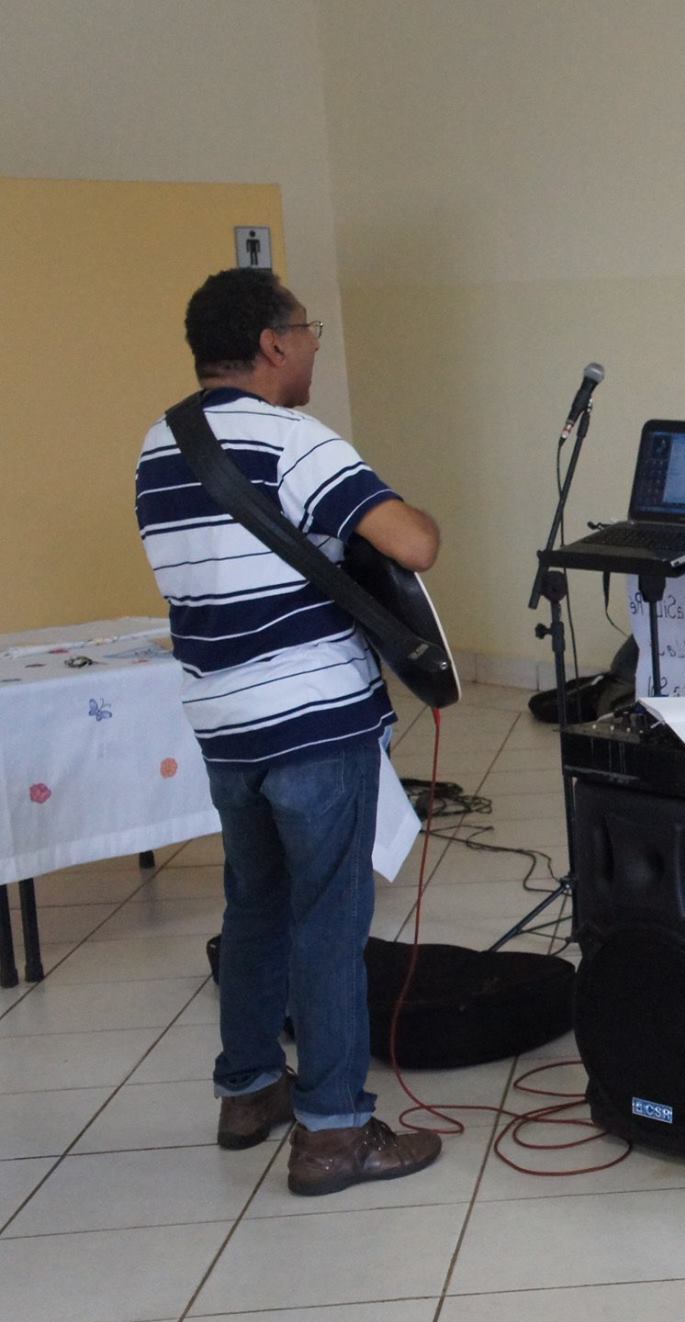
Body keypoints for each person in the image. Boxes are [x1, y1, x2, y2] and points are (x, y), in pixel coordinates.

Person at [135, 268, 442, 1194]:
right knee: (329, 922)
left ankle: (249, 1091)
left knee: (256, 905)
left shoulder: (159, 444)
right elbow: (413, 544)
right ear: (272, 345)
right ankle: (337, 1132)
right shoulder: (293, 437)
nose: (313, 343)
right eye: (305, 329)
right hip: (312, 724)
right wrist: (417, 512)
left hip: (224, 727)